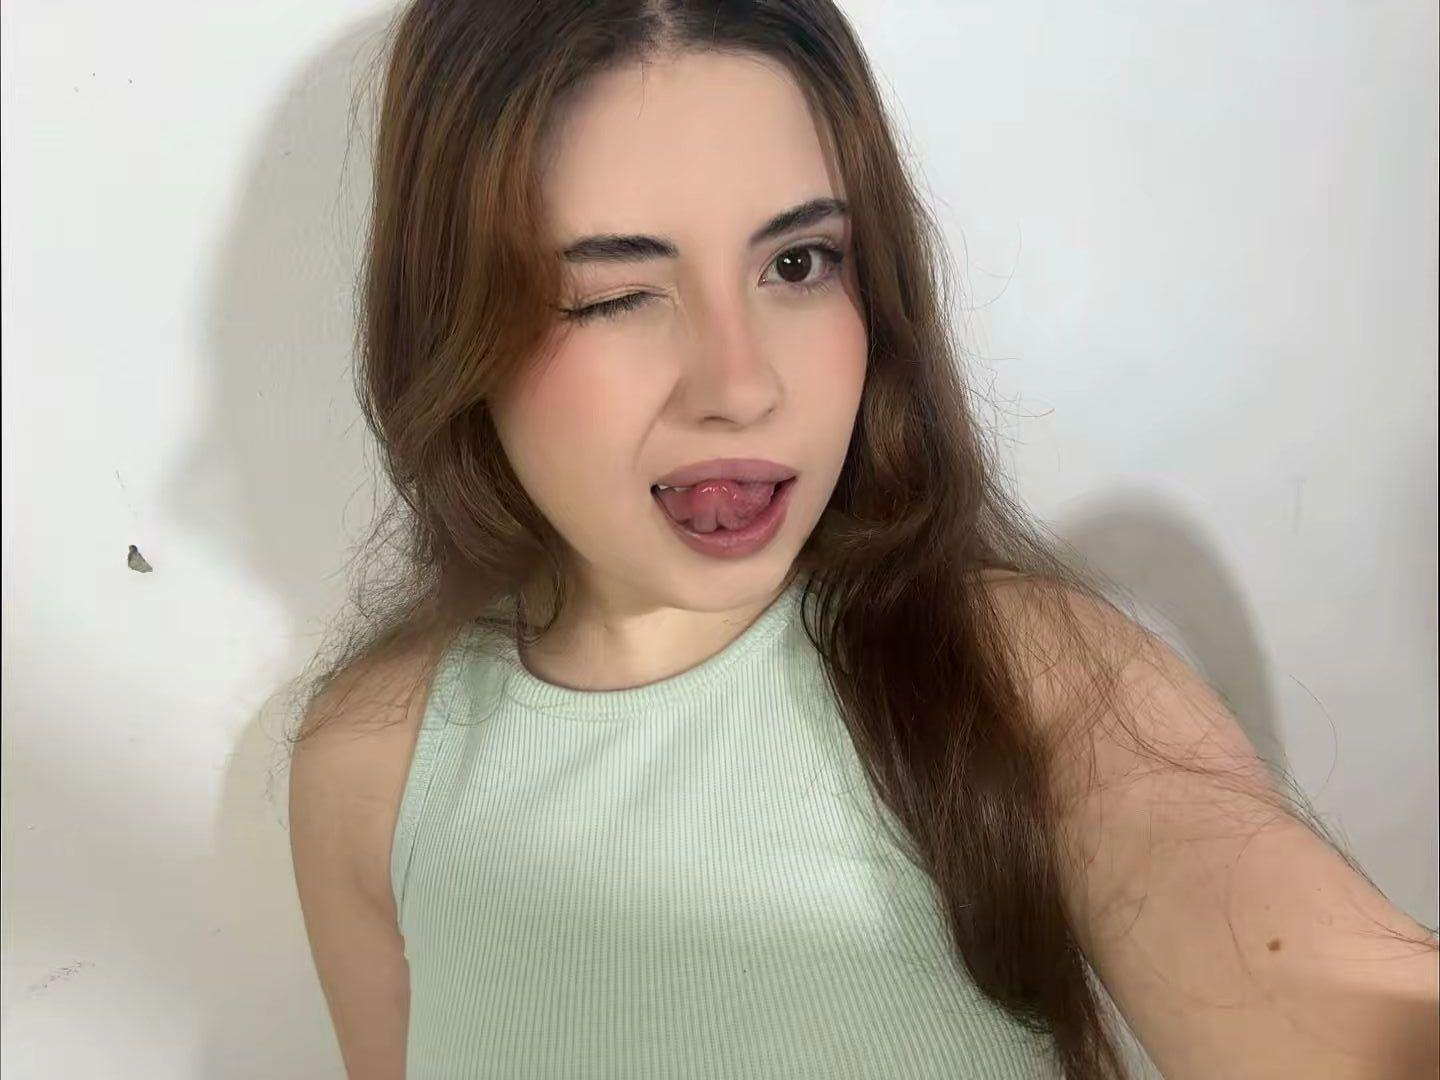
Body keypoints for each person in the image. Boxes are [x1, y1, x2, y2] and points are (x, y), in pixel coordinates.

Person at [286, 2, 1440, 1078]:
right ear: (454, 325)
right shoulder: (371, 771)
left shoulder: (1021, 675)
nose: (742, 387)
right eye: (611, 294)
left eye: (798, 264)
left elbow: (1321, 986)